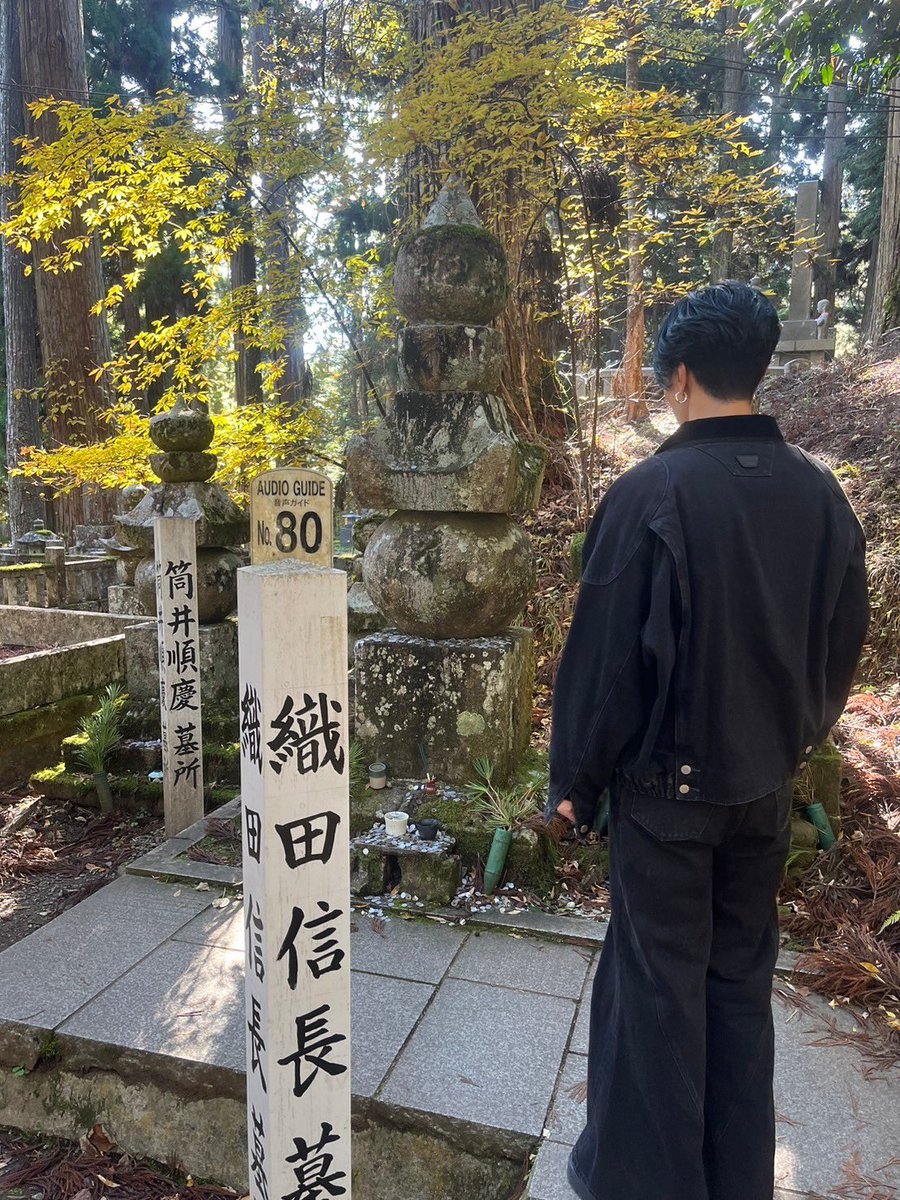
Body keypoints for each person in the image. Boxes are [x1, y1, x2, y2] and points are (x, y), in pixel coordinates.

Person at [545, 282, 870, 1200]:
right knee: (737, 989)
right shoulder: (817, 493)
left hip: (665, 796)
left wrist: (575, 782)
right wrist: (795, 735)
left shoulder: (651, 491)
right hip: (762, 788)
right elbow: (845, 634)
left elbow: (609, 660)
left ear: (680, 377)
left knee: (655, 1000)